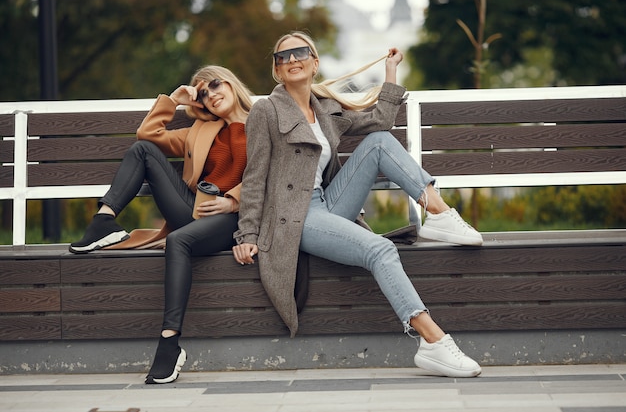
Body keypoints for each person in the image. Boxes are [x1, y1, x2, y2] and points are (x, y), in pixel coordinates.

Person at [232, 31, 483, 378]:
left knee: (379, 142)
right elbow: (255, 175)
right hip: (295, 219)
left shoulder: (324, 110)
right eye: (282, 57)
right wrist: (246, 234)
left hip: (326, 204)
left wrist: (391, 70)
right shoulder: (266, 110)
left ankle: (438, 212)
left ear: (314, 62)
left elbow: (381, 121)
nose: (291, 60)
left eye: (299, 52)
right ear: (276, 70)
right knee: (380, 250)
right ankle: (432, 341)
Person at [69, 65, 253, 384]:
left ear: (231, 83)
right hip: (195, 210)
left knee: (179, 241)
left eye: (214, 84)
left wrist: (233, 200)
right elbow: (149, 136)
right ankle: (103, 222)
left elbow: (272, 173)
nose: (211, 94)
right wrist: (175, 100)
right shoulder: (200, 131)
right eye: (203, 93)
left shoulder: (260, 121)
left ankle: (169, 343)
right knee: (143, 150)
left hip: (233, 219)